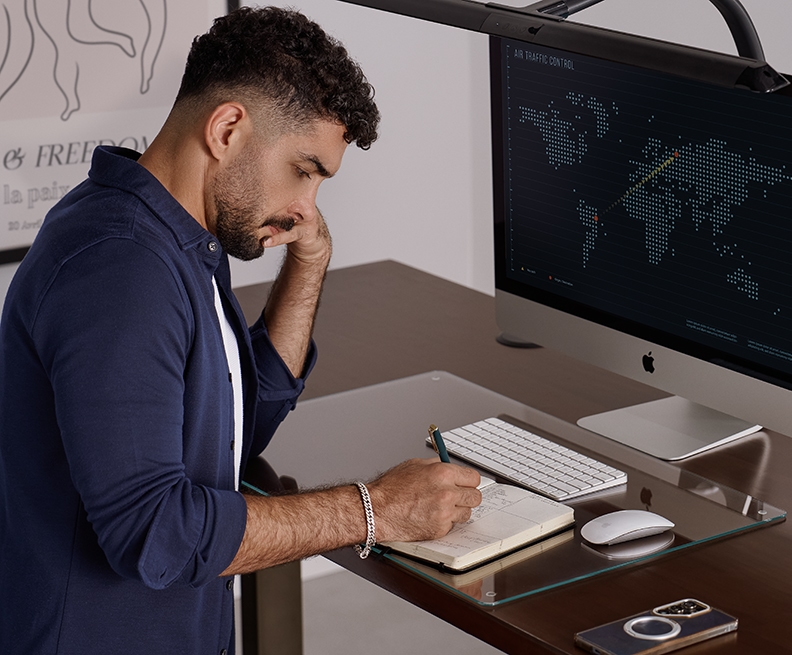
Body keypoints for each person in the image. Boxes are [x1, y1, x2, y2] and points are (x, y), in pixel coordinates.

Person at [0, 7, 482, 654]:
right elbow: (155, 533)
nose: (306, 208)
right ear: (227, 128)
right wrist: (375, 509)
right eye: (304, 170)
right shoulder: (121, 272)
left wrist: (309, 263)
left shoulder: (176, 235)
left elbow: (231, 431)